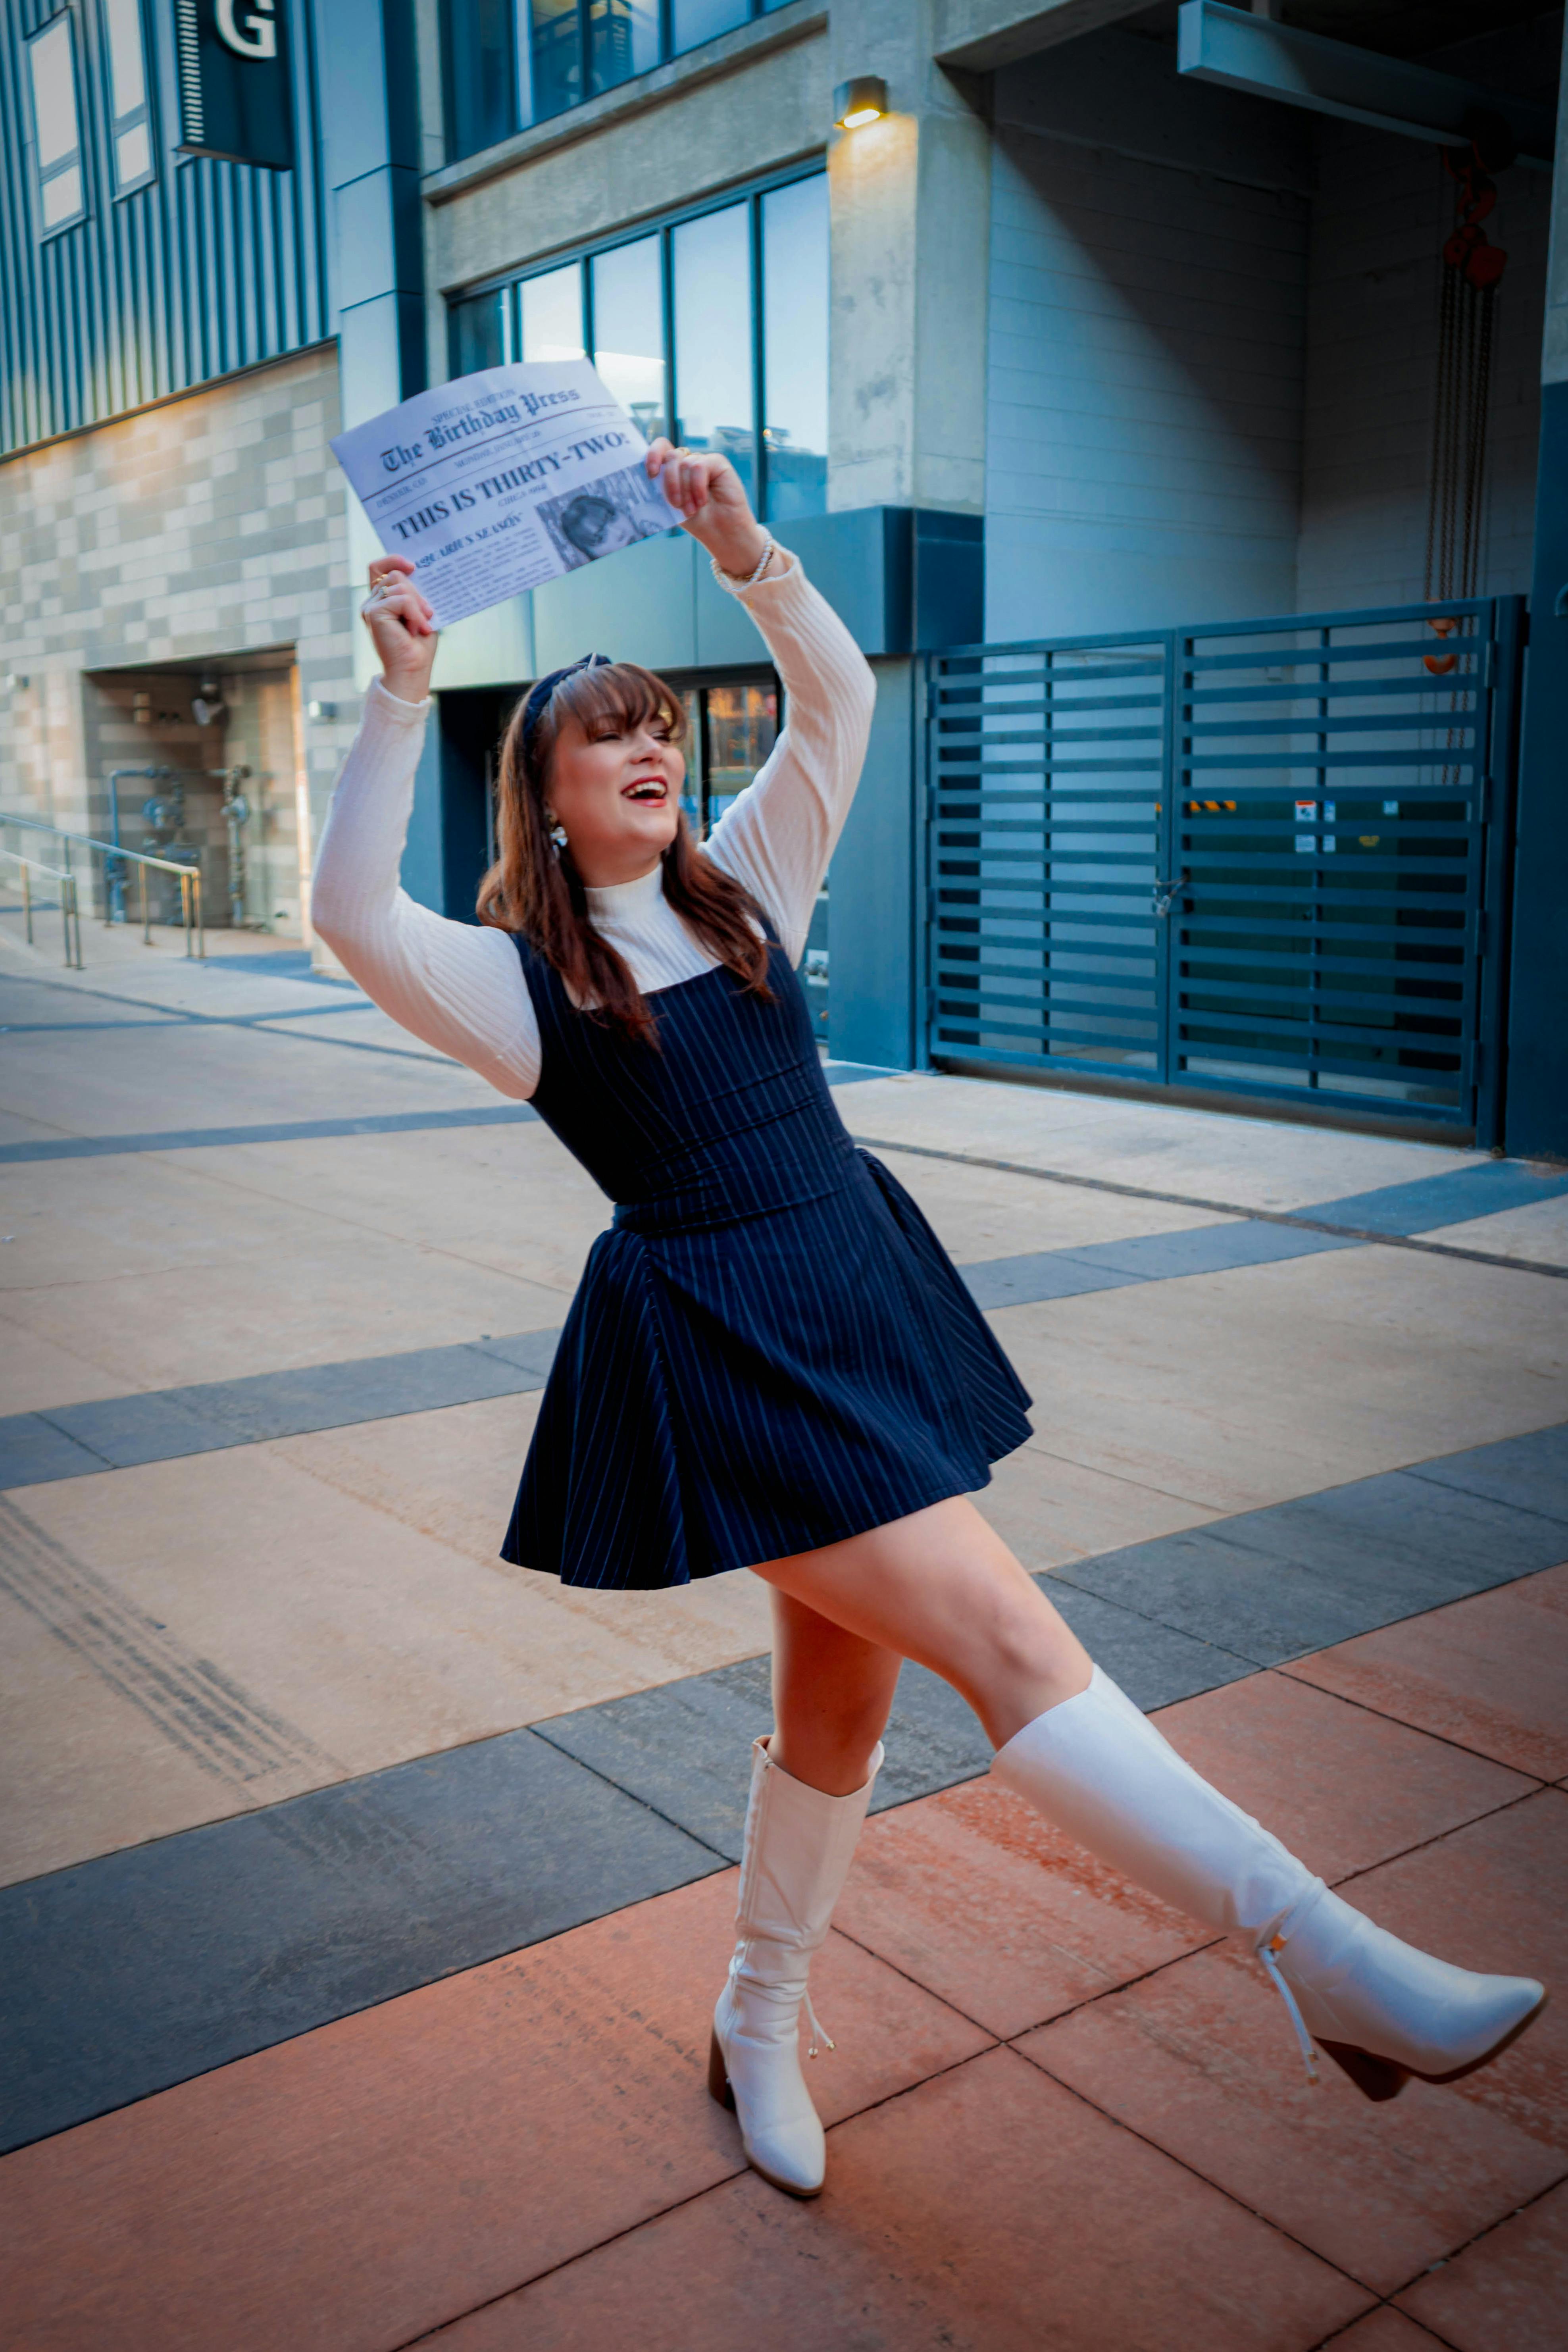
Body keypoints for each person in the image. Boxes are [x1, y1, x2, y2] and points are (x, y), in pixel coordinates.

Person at [312, 443, 1545, 2202]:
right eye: (607, 731)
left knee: (841, 1699)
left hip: (852, 1293)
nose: (652, 746)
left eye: (663, 721)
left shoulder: (743, 893)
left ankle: (753, 2021)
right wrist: (397, 692)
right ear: (545, 784)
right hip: (725, 1343)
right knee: (1010, 1644)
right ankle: (1322, 1957)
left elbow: (829, 704)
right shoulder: (521, 984)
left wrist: (747, 552)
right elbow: (349, 914)